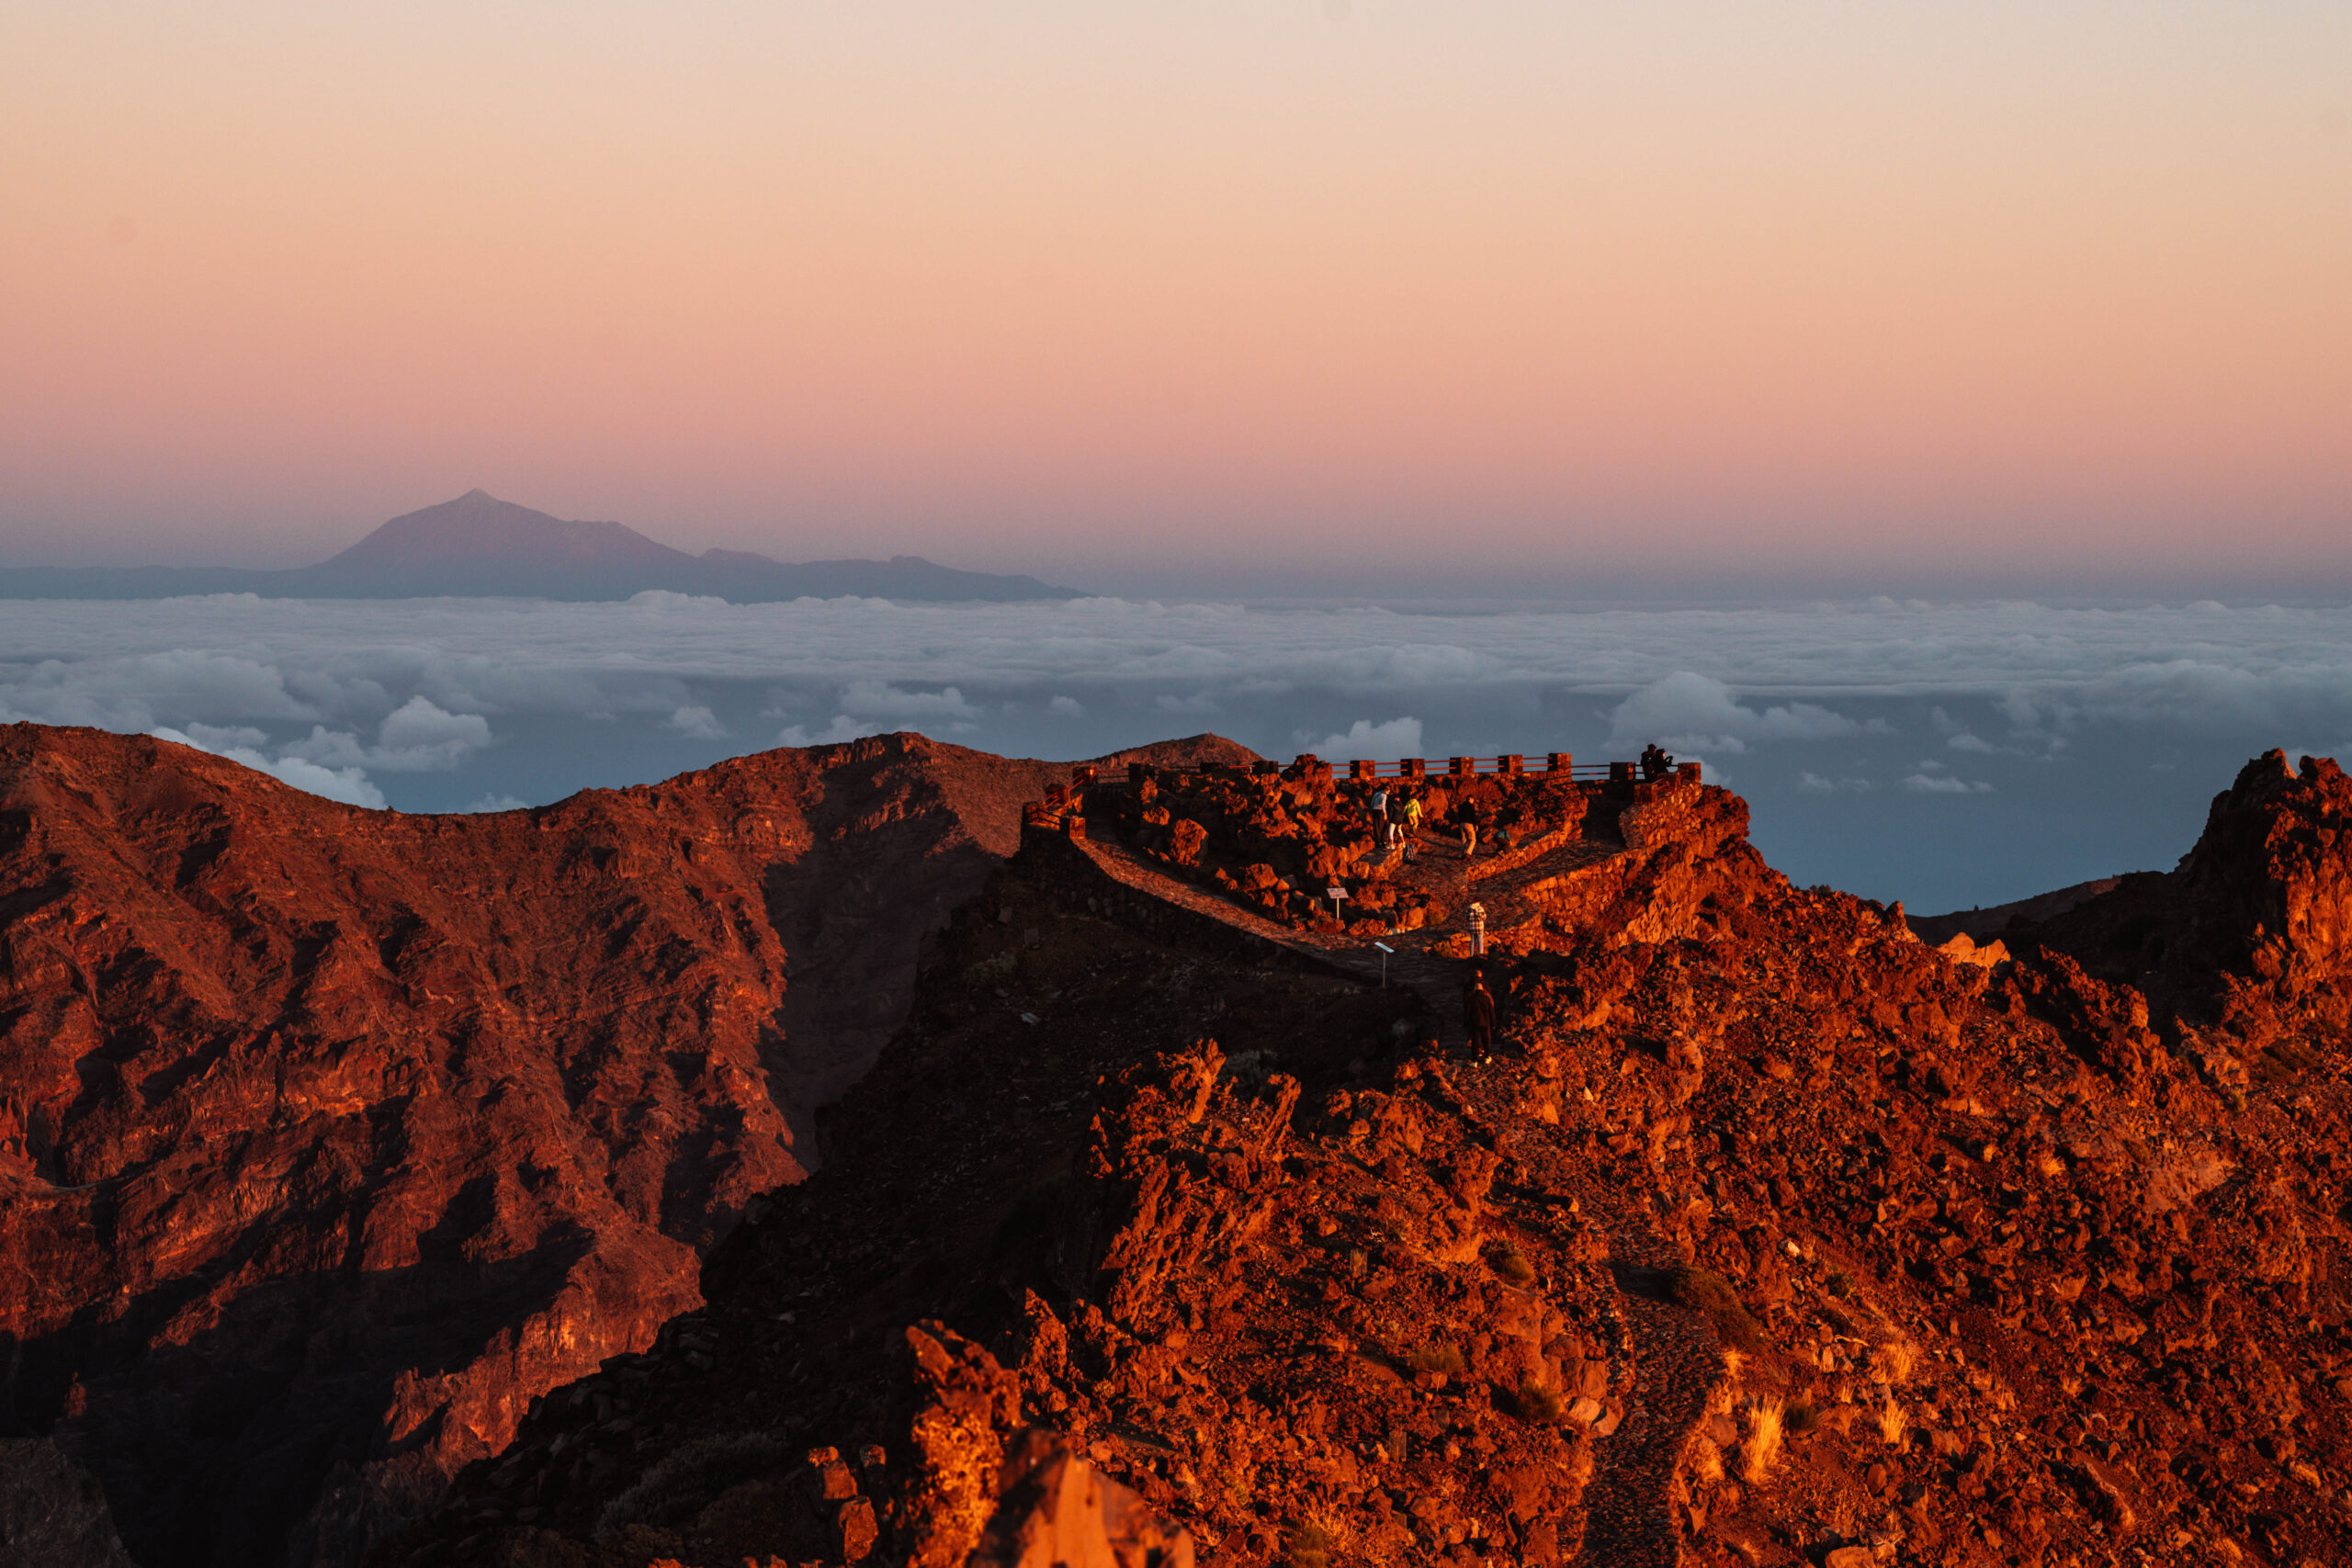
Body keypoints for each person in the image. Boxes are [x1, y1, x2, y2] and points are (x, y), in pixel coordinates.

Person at [1464, 975, 1496, 1055]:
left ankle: (1475, 1060)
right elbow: (1491, 1011)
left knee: (1475, 1040)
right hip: (1485, 1022)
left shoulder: (1471, 998)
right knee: (1486, 1040)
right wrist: (1493, 1023)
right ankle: (1486, 1056)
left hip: (1474, 1022)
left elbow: (1467, 1011)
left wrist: (1466, 1022)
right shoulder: (1487, 998)